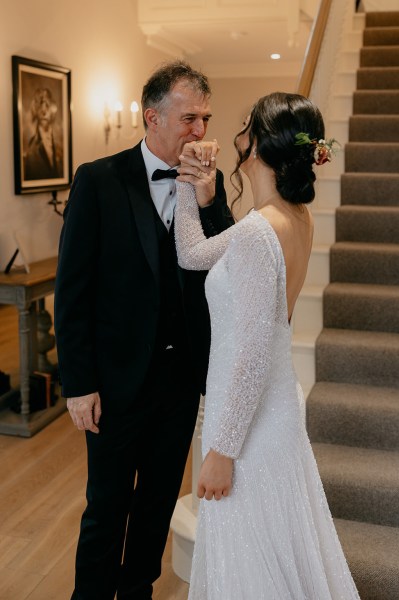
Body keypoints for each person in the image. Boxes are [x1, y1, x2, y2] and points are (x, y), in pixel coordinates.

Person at [54, 60, 233, 600]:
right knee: (107, 505)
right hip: (114, 384)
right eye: (188, 119)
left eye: (205, 118)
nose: (200, 132)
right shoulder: (99, 180)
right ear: (151, 117)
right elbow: (73, 291)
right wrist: (79, 384)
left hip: (179, 384)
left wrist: (208, 200)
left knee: (156, 504)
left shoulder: (211, 180)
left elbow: (227, 267)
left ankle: (138, 593)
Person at [174, 92, 360, 599]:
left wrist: (221, 450)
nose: (234, 136)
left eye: (244, 126)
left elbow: (252, 355)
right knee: (276, 550)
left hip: (249, 426)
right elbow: (193, 254)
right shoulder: (295, 217)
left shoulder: (260, 232)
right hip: (273, 409)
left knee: (252, 564)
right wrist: (192, 185)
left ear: (256, 145)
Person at [24, 87, 63, 180]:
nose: (44, 111)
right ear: (35, 109)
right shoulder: (30, 149)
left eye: (47, 105)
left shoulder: (60, 147)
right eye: (40, 105)